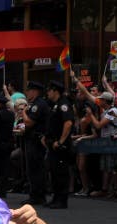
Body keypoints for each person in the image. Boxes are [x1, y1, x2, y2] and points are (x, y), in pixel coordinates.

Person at [45, 80, 74, 209]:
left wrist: (61, 141)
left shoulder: (64, 104)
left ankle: (62, 200)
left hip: (61, 145)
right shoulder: (55, 105)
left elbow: (68, 123)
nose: (48, 93)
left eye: (49, 90)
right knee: (54, 172)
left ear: (55, 91)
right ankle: (56, 198)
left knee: (61, 173)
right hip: (54, 144)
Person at [20, 81, 50, 206]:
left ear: (35, 91)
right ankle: (36, 194)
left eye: (29, 90)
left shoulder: (37, 105)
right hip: (33, 139)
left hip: (35, 141)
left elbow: (29, 122)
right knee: (33, 169)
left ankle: (37, 196)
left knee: (35, 168)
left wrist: (23, 112)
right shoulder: (36, 104)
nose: (27, 93)